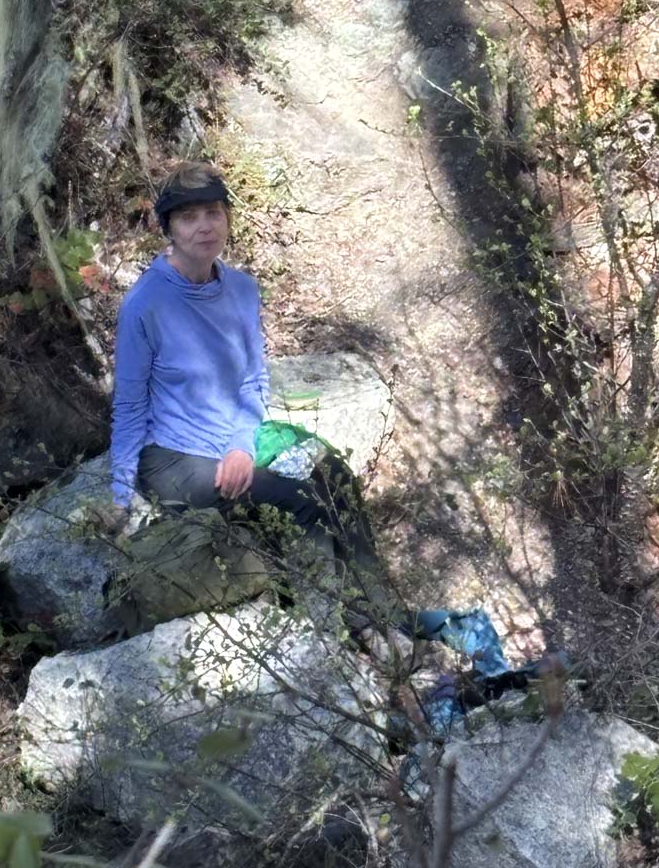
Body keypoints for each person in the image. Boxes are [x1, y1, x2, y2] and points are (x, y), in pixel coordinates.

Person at [109, 160, 446, 643]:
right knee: (299, 501)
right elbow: (129, 406)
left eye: (213, 212)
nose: (204, 226)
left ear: (227, 218)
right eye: (188, 217)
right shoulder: (145, 305)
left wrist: (241, 445)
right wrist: (120, 496)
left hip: (234, 442)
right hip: (175, 459)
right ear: (169, 229)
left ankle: (385, 612)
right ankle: (331, 636)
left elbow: (253, 381)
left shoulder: (242, 290)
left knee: (331, 473)